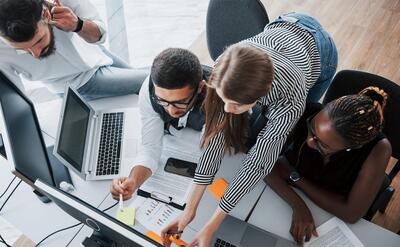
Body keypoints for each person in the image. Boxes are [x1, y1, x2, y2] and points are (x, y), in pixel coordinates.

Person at [162, 12, 338, 247]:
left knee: (297, 122)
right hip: (283, 25)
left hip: (317, 50)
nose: (226, 108)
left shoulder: (290, 97)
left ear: (260, 96)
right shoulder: (223, 69)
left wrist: (212, 225)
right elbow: (215, 137)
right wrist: (188, 212)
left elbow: (257, 163)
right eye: (224, 99)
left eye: (235, 104)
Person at [265, 86, 392, 244]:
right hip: (282, 201)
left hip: (329, 220)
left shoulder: (378, 149)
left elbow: (350, 214)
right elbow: (264, 166)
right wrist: (298, 205)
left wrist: (294, 176)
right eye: (311, 128)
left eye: (322, 145)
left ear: (352, 148)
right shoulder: (307, 110)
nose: (309, 141)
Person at [110, 48, 210, 201]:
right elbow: (150, 148)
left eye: (180, 102)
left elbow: (211, 154)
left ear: (200, 87)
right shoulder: (149, 90)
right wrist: (134, 181)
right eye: (162, 101)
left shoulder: (219, 101)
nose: (171, 111)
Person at [0, 0, 147, 100]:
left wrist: (78, 25)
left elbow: (100, 36)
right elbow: (15, 98)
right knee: (152, 82)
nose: (36, 54)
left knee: (151, 88)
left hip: (96, 54)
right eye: (22, 50)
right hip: (76, 84)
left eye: (39, 40)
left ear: (45, 14)